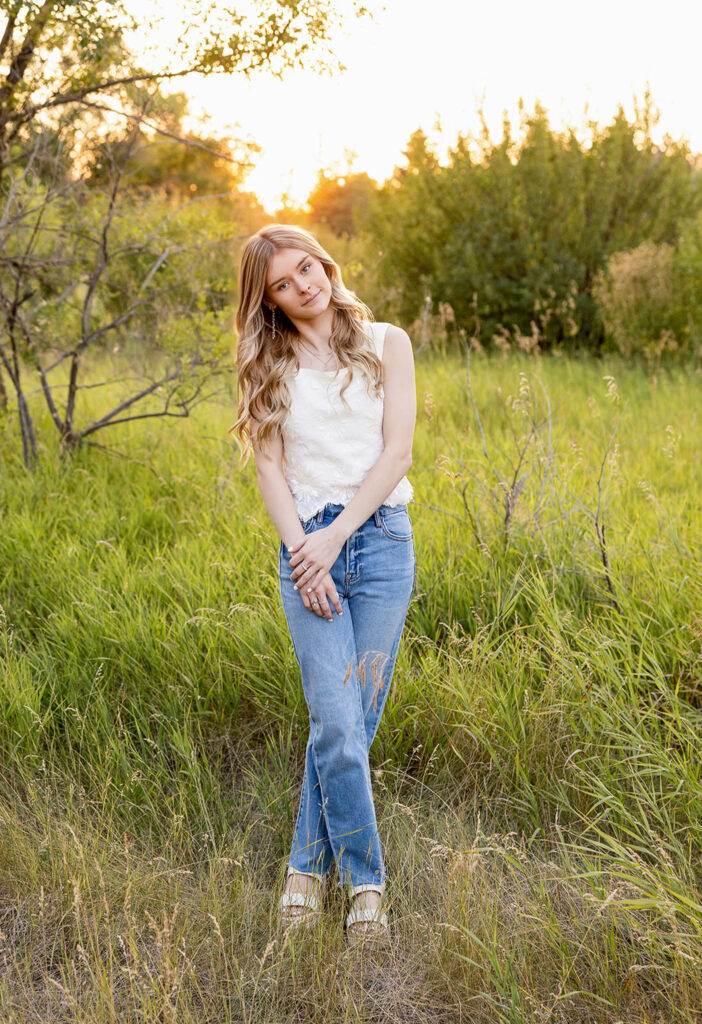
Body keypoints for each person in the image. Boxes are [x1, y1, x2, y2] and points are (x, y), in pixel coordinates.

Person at [230, 224, 417, 944]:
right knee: (335, 720)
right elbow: (269, 469)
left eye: (307, 267)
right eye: (284, 282)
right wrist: (303, 550)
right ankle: (366, 883)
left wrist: (337, 536)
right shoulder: (269, 363)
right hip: (304, 548)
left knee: (350, 723)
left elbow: (397, 451)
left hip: (379, 546)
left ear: (324, 263)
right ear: (269, 300)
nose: (304, 284)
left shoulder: (386, 343)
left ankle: (306, 868)